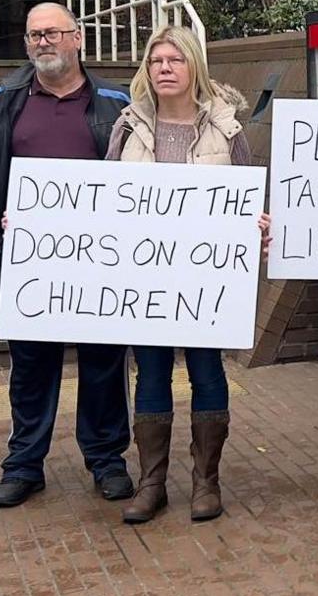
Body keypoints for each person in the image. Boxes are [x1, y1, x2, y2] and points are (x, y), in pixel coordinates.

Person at [0, 3, 135, 508]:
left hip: (100, 261)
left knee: (104, 363)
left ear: (77, 38)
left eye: (54, 33)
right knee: (31, 365)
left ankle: (106, 460)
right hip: (25, 263)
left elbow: (142, 177)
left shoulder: (115, 101)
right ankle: (23, 465)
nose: (43, 42)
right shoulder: (2, 101)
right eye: (34, 34)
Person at [111, 26, 269, 525]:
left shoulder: (228, 131)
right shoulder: (127, 128)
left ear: (193, 67)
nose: (164, 68)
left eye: (174, 60)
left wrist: (258, 222)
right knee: (151, 373)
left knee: (207, 373)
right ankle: (152, 482)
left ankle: (207, 481)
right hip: (146, 279)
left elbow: (249, 194)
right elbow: (104, 200)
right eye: (155, 60)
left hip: (207, 283)